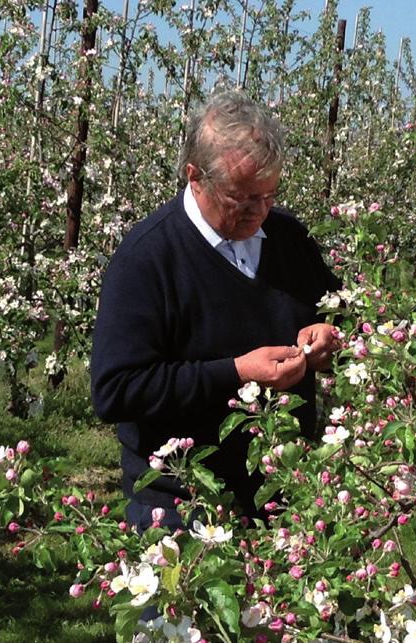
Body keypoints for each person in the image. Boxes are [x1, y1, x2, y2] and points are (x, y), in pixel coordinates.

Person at [90, 90, 341, 532]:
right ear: (195, 177)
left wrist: (329, 335)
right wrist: (238, 372)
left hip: (286, 496)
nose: (258, 212)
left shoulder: (290, 241)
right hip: (184, 506)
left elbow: (339, 311)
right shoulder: (148, 259)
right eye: (241, 198)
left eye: (269, 196)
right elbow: (116, 390)